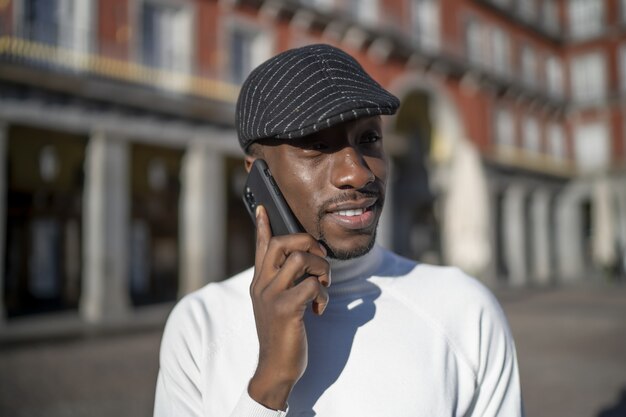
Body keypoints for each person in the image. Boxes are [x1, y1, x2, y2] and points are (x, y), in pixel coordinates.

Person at [154, 44, 524, 417]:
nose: (358, 173)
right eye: (316, 145)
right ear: (257, 175)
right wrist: (270, 384)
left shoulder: (465, 310)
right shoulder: (198, 327)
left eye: (369, 139)